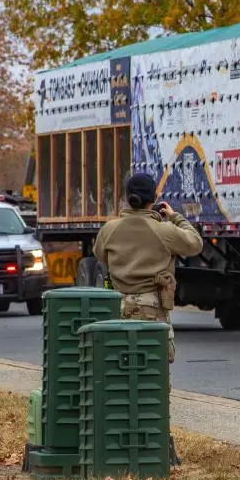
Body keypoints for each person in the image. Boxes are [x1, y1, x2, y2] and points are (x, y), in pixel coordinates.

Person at [93, 172, 203, 464]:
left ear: (126, 196)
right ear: (154, 199)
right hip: (153, 312)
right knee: (154, 377)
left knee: (118, 375)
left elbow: (100, 254)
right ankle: (156, 440)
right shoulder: (162, 229)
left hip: (118, 309)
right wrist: (175, 217)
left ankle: (119, 438)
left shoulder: (110, 229)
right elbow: (195, 244)